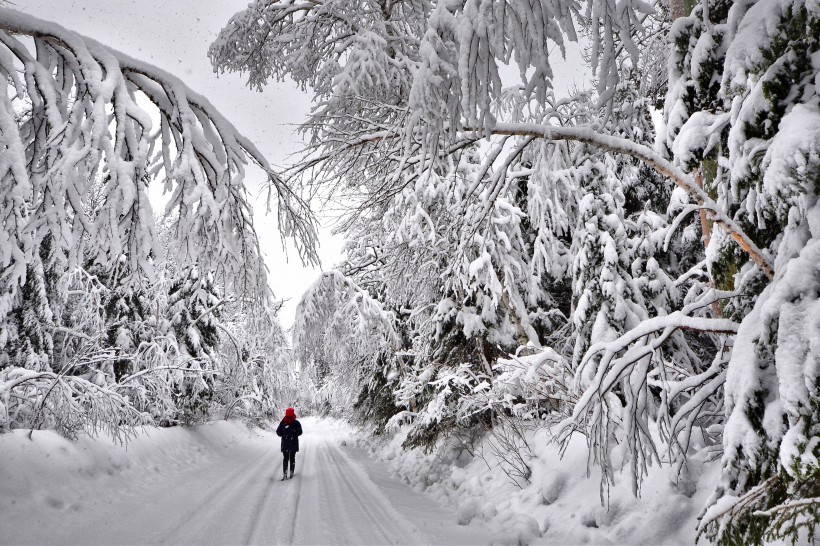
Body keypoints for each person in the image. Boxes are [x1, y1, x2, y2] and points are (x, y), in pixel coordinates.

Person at [276, 407, 302, 480]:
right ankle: (291, 473)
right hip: (293, 444)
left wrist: (284, 434)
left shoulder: (283, 422)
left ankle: (285, 474)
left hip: (285, 444)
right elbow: (300, 432)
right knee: (292, 458)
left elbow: (278, 432)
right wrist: (294, 434)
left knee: (285, 459)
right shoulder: (296, 423)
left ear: (286, 413)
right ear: (293, 413)